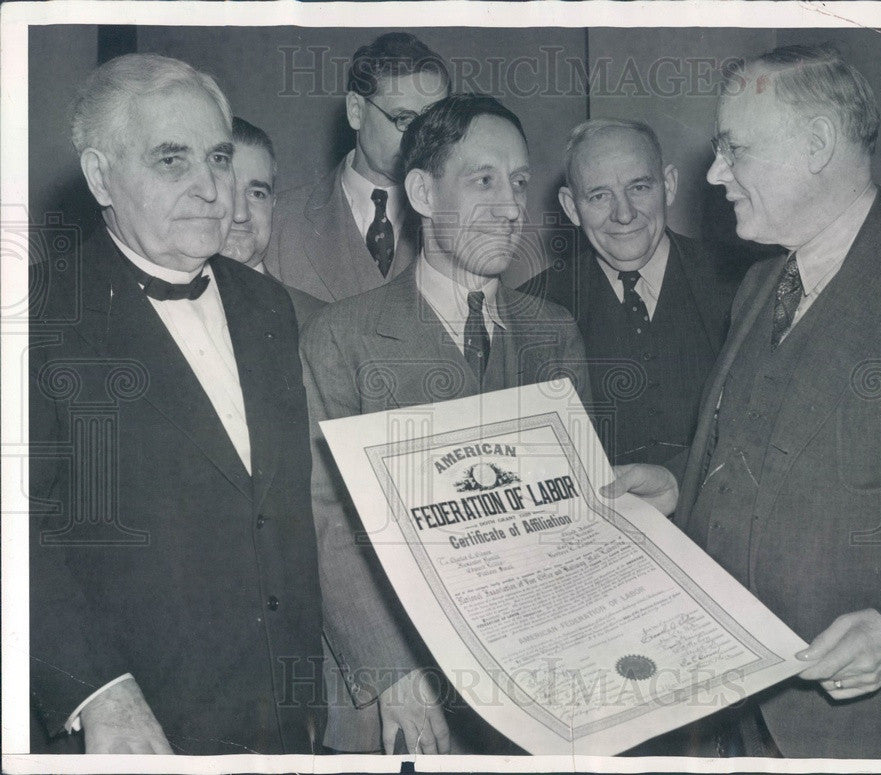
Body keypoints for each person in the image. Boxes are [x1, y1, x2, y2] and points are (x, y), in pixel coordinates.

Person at [605, 44, 881, 758]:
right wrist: (681, 476)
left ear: (817, 143)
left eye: (735, 150)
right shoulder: (763, 280)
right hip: (727, 710)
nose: (713, 173)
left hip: (855, 724)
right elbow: (769, 438)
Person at [29, 54, 323, 755]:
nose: (210, 188)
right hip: (137, 724)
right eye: (172, 160)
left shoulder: (266, 304)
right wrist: (95, 687)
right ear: (102, 176)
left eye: (218, 158)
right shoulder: (33, 316)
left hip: (282, 719)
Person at [300, 93, 592, 755]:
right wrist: (390, 669)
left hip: (540, 683)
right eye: (484, 180)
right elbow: (325, 515)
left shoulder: (554, 333)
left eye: (519, 183)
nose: (512, 206)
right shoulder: (341, 338)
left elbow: (571, 519)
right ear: (424, 192)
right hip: (404, 697)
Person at [521, 118, 741, 477]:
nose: (623, 214)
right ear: (571, 208)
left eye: (639, 187)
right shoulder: (531, 308)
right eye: (599, 196)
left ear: (668, 186)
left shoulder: (744, 283)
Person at [264, 32, 450, 302]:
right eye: (403, 119)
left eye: (431, 123)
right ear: (356, 110)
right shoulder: (279, 220)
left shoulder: (458, 225)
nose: (419, 139)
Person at [221, 116, 325, 329]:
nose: (240, 214)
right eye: (227, 190)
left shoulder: (316, 322)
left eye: (257, 194)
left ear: (273, 204)